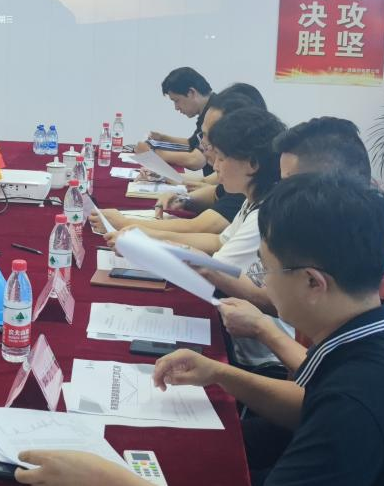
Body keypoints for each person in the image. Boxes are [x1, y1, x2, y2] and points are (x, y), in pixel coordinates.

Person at [17, 174, 384, 486]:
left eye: (266, 268)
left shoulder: (360, 395)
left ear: (312, 282)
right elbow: (313, 406)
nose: (259, 281)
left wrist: (104, 480)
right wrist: (221, 374)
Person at [209, 118, 384, 372]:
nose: (280, 194)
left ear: (332, 187)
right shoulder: (324, 245)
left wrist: (261, 331)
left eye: (291, 184)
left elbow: (336, 382)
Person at [113, 108, 290, 370]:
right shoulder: (254, 199)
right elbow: (219, 244)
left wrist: (151, 244)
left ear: (252, 164)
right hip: (242, 336)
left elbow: (215, 268)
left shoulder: (266, 213)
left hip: (258, 357)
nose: (215, 166)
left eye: (221, 158)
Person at [95, 89, 261, 236]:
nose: (203, 144)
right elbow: (209, 187)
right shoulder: (239, 174)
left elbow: (204, 231)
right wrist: (184, 198)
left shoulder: (251, 185)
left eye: (209, 136)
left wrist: (125, 224)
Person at [135, 66, 213, 172]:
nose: (176, 108)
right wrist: (162, 138)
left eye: (176, 100)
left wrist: (152, 154)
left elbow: (195, 161)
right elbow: (191, 143)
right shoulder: (208, 109)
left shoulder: (216, 114)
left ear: (191, 92)